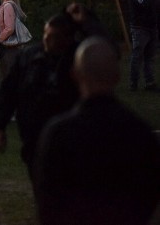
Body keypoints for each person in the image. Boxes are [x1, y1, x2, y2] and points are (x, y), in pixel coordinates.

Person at [33, 36, 160, 225]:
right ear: (117, 75)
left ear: (75, 75)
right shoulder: (139, 132)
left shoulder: (58, 133)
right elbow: (149, 194)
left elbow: (48, 201)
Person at [0, 13, 79, 186]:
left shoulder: (78, 58)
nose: (47, 41)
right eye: (46, 35)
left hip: (68, 132)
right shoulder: (30, 57)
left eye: (54, 37)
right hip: (33, 131)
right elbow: (9, 91)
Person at [127, 0, 157, 91]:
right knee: (137, 57)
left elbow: (152, 6)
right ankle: (133, 84)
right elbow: (146, 4)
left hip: (150, 29)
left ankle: (149, 83)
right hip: (140, 30)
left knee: (149, 58)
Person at [0, 0, 30, 80]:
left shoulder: (8, 6)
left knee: (10, 78)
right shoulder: (5, 6)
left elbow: (9, 28)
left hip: (9, 49)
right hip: (8, 48)